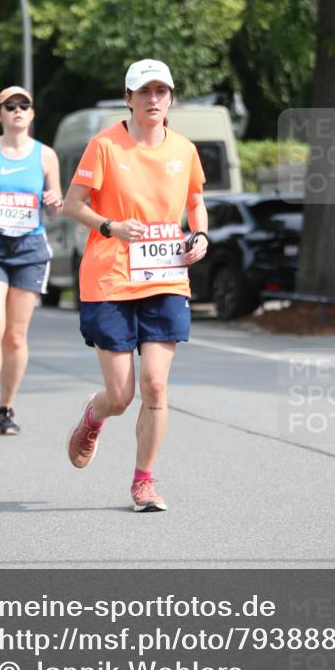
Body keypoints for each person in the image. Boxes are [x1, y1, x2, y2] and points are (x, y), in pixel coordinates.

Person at [62, 59, 208, 511]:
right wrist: (110, 226)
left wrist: (200, 235)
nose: (153, 100)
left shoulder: (183, 149)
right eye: (143, 92)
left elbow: (196, 202)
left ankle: (143, 483)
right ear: (128, 98)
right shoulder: (105, 145)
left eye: (161, 92)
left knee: (156, 386)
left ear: (171, 98)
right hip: (109, 277)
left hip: (165, 276)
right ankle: (94, 416)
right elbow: (72, 203)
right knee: (123, 396)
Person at [0, 86, 62, 437]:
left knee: (16, 337)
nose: (18, 110)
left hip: (29, 250)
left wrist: (54, 199)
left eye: (24, 105)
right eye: (10, 105)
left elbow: (55, 203)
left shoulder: (46, 156)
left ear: (32, 114)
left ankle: (7, 407)